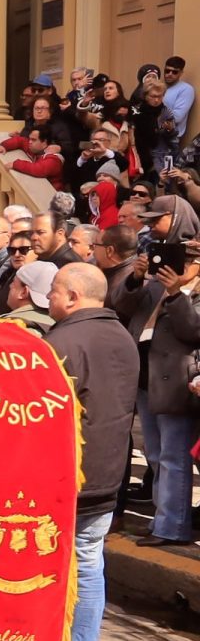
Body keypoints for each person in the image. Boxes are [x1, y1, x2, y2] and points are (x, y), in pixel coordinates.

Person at [45, 262, 137, 641]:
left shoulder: (62, 340)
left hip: (65, 474)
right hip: (107, 472)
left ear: (73, 297)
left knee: (46, 561)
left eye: (53, 293)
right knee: (87, 561)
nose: (48, 299)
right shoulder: (124, 337)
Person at [116, 195, 200, 546]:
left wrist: (177, 294)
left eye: (191, 260)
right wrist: (135, 279)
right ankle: (162, 519)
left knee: (173, 457)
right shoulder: (154, 284)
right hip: (147, 379)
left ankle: (171, 526)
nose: (183, 266)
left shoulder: (188, 292)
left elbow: (193, 331)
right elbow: (121, 305)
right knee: (155, 455)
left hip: (177, 383)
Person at [4, 260, 59, 334]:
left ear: (23, 292)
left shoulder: (8, 329)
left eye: (13, 282)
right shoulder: (63, 326)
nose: (10, 285)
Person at [163, 55, 193, 142]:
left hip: (170, 138)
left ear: (181, 73)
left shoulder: (186, 89)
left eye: (174, 72)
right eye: (167, 71)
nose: (170, 74)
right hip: (154, 135)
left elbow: (176, 117)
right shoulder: (160, 86)